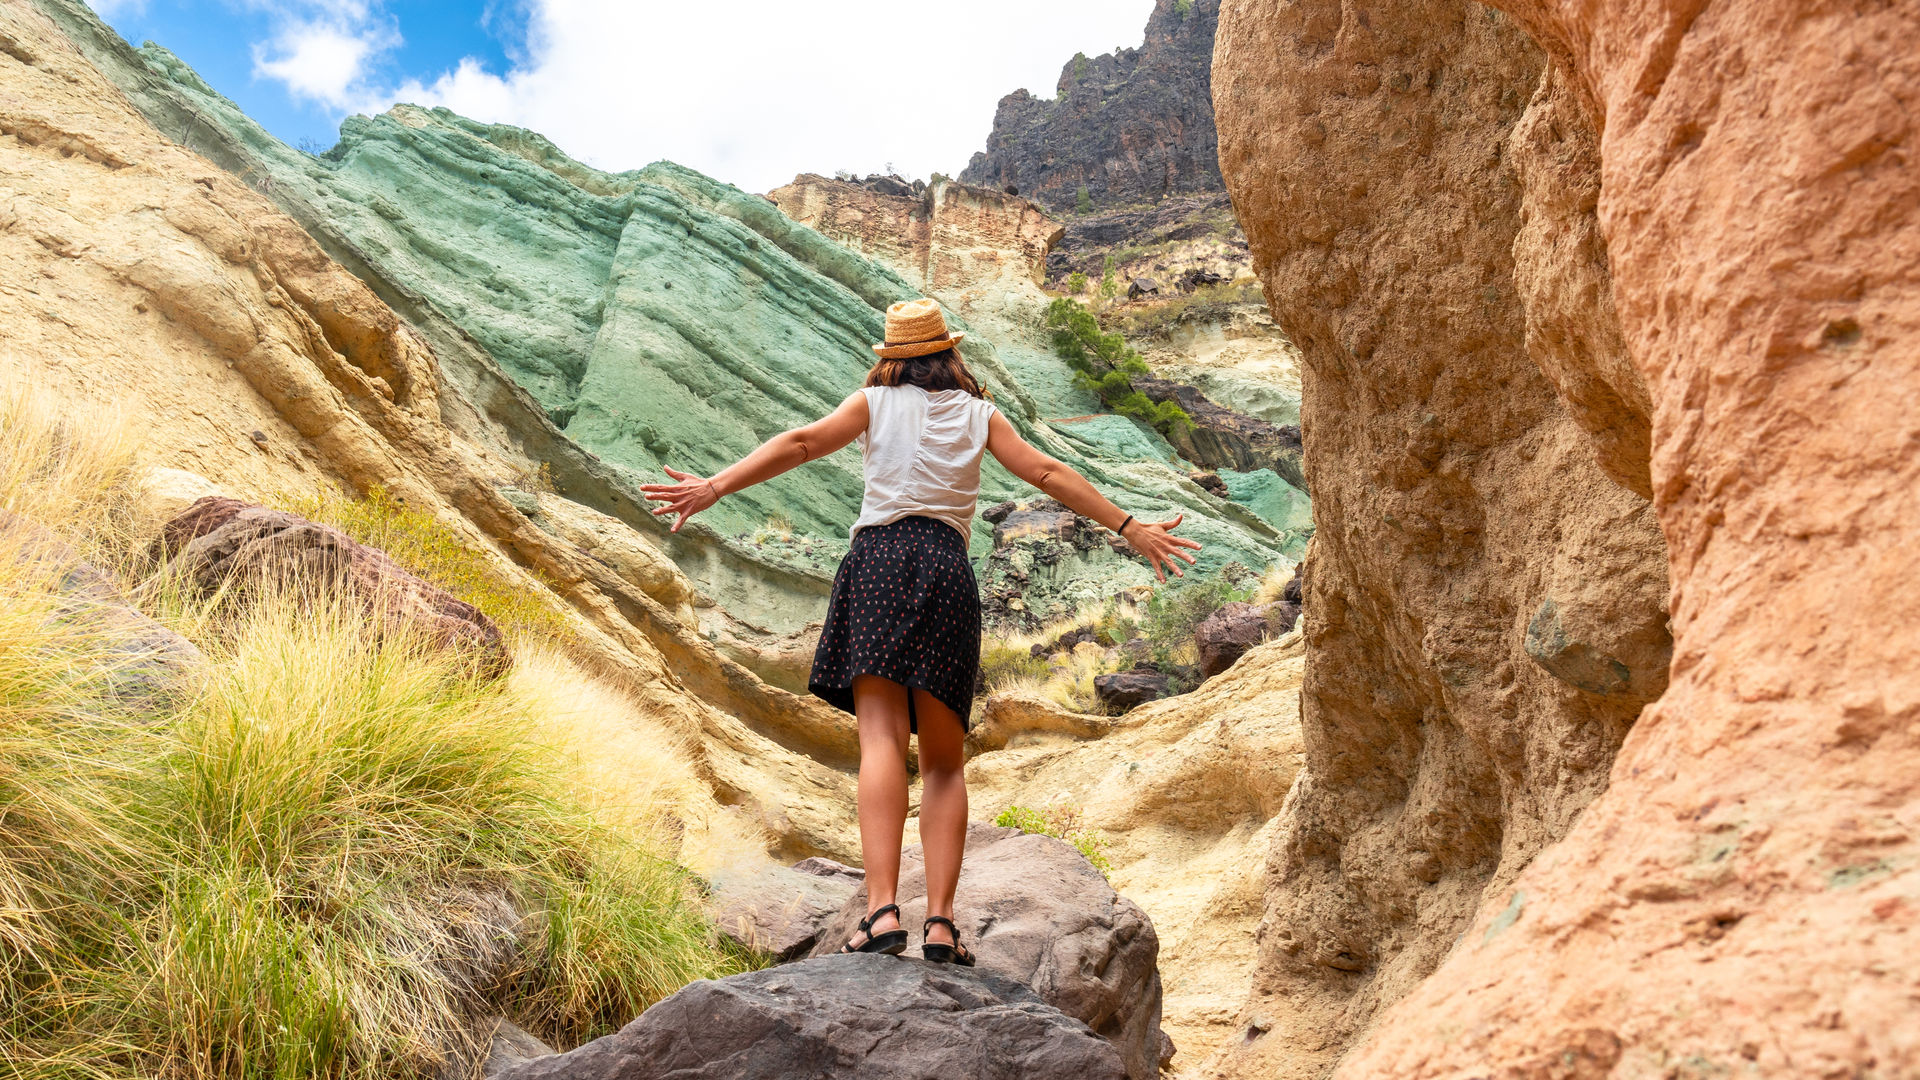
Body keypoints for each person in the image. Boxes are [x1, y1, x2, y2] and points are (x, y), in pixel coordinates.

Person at [641, 297, 1200, 965]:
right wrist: (1129, 527)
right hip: (945, 569)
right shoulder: (980, 414)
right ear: (949, 353)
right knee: (942, 762)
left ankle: (881, 912)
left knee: (880, 739)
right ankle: (940, 924)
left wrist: (714, 486)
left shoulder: (873, 403)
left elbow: (802, 443)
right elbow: (1046, 472)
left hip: (878, 560)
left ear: (892, 357)